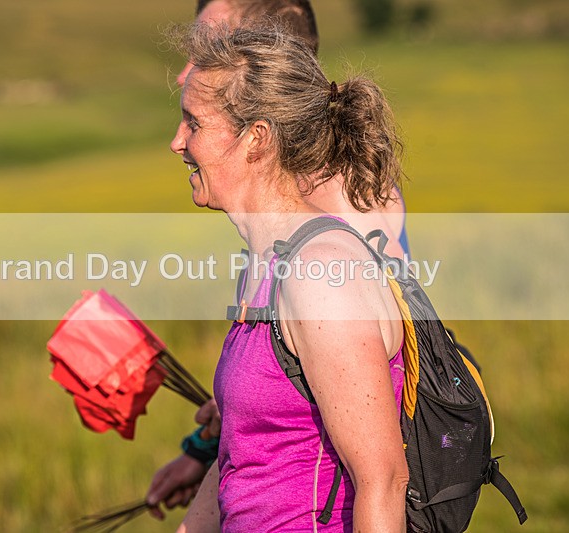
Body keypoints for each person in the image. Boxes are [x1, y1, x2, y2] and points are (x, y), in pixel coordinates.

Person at [146, 0, 409, 519]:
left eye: (193, 124)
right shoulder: (267, 265)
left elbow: (383, 481)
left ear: (257, 140)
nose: (177, 143)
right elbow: (246, 454)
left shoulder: (321, 272)